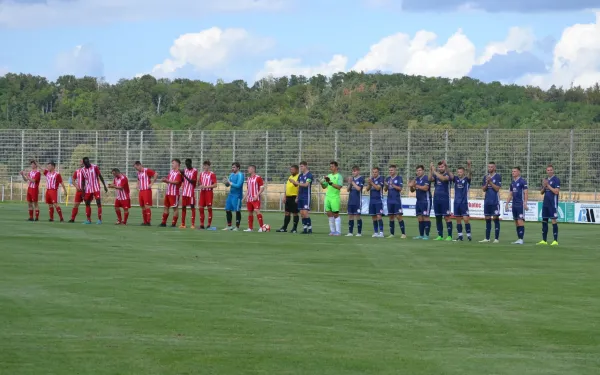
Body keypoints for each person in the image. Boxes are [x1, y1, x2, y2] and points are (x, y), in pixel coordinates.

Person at [430, 161, 453, 241]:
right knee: (438, 217)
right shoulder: (436, 175)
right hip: (436, 199)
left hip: (445, 199)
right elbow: (430, 179)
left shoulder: (447, 175)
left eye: (442, 167)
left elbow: (443, 179)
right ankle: (440, 235)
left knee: (447, 217)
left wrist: (434, 171)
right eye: (439, 167)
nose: (440, 168)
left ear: (445, 167)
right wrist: (431, 170)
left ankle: (450, 236)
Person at [81, 156, 108, 225]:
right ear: (84, 163)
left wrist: (104, 186)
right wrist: (83, 191)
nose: (87, 163)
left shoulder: (95, 167)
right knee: (87, 203)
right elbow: (83, 181)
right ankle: (88, 220)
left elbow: (100, 176)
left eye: (88, 162)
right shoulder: (82, 170)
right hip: (88, 189)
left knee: (98, 203)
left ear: (89, 161)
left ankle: (99, 220)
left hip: (96, 188)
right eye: (86, 162)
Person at [538, 164, 560, 246]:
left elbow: (556, 192)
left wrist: (548, 185)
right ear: (546, 171)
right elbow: (541, 192)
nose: (549, 171)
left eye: (551, 170)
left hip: (552, 204)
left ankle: (555, 240)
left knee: (553, 220)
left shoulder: (556, 180)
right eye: (548, 170)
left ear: (553, 170)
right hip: (545, 203)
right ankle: (544, 240)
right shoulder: (546, 180)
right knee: (544, 220)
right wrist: (544, 187)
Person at [408, 165, 431, 240]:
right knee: (419, 218)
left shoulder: (426, 178)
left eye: (420, 170)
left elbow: (425, 188)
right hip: (418, 201)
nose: (418, 172)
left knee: (426, 217)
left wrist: (415, 185)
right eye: (417, 170)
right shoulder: (416, 179)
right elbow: (412, 190)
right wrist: (411, 186)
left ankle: (427, 235)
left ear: (423, 171)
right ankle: (421, 235)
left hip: (425, 200)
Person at [505, 167, 528, 245]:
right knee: (516, 221)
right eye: (512, 171)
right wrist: (507, 204)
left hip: (520, 204)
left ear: (519, 172)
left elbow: (526, 193)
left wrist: (525, 203)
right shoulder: (512, 183)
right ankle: (519, 238)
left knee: (520, 220)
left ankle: (521, 239)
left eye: (515, 171)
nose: (513, 172)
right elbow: (510, 194)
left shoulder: (522, 181)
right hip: (514, 205)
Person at [319, 161, 343, 236]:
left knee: (336, 214)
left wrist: (330, 183)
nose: (331, 168)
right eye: (330, 166)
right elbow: (324, 186)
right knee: (329, 214)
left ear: (336, 167)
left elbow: (339, 187)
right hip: (328, 197)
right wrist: (322, 183)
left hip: (335, 198)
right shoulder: (328, 176)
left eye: (332, 166)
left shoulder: (339, 176)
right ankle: (332, 231)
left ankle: (338, 231)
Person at [480, 162, 502, 243]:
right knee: (487, 218)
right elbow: (483, 189)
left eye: (491, 167)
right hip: (487, 201)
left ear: (494, 168)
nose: (490, 168)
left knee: (495, 218)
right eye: (489, 167)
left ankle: (496, 238)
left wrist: (491, 182)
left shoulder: (498, 176)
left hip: (495, 201)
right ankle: (487, 238)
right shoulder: (485, 177)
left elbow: (497, 189)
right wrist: (487, 183)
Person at [384, 165, 406, 239]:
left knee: (398, 216)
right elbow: (385, 190)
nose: (390, 171)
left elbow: (400, 188)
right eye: (390, 170)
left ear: (395, 170)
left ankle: (403, 234)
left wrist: (392, 185)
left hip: (396, 200)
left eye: (392, 170)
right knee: (391, 217)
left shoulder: (399, 178)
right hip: (389, 200)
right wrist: (386, 185)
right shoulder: (388, 178)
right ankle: (392, 234)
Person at [452, 161, 472, 241]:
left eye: (460, 172)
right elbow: (450, 174)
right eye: (458, 172)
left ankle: (468, 235)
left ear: (463, 172)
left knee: (466, 219)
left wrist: (469, 165)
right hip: (456, 203)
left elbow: (470, 173)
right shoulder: (455, 179)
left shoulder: (467, 179)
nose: (459, 173)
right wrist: (446, 166)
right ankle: (460, 236)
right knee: (458, 220)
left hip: (463, 203)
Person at [277, 165, 300, 233]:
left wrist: (297, 197)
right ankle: (284, 227)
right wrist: (285, 196)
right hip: (288, 197)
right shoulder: (290, 177)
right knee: (287, 213)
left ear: (297, 170)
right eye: (290, 170)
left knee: (295, 213)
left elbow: (299, 187)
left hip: (294, 196)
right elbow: (287, 188)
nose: (291, 171)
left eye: (292, 170)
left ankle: (294, 228)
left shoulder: (299, 177)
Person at [160, 159, 183, 227]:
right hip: (168, 192)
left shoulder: (179, 173)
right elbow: (169, 181)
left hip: (174, 193)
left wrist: (168, 181)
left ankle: (173, 223)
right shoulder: (171, 172)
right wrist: (165, 180)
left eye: (173, 163)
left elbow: (177, 182)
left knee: (175, 208)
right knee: (166, 207)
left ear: (177, 164)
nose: (172, 165)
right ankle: (163, 223)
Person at [243, 165, 265, 232]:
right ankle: (250, 228)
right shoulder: (248, 178)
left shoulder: (258, 178)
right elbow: (248, 189)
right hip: (249, 199)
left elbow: (262, 188)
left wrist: (257, 195)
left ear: (253, 169)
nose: (248, 170)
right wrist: (244, 198)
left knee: (257, 210)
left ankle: (261, 227)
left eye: (249, 168)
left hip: (255, 198)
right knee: (250, 212)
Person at [134, 161, 157, 226]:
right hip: (141, 191)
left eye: (136, 167)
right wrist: (137, 184)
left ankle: (148, 221)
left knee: (147, 206)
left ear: (139, 165)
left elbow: (155, 174)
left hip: (147, 190)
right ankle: (144, 222)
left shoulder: (147, 170)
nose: (136, 169)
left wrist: (152, 183)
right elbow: (138, 179)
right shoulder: (138, 172)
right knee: (142, 206)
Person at [223, 162, 244, 231]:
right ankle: (229, 226)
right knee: (227, 209)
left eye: (234, 167)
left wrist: (231, 183)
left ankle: (237, 227)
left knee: (237, 210)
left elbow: (238, 185)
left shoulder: (240, 175)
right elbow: (228, 185)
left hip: (237, 195)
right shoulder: (231, 174)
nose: (232, 168)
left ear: (238, 168)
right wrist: (226, 183)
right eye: (232, 167)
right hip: (231, 194)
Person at [198, 160, 217, 229]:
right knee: (201, 208)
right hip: (202, 193)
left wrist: (205, 187)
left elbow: (215, 185)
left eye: (206, 165)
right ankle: (202, 224)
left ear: (209, 166)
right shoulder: (201, 174)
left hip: (209, 192)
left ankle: (209, 224)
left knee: (209, 208)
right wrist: (199, 185)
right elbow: (199, 183)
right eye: (204, 165)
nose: (205, 167)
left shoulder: (212, 174)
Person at [366, 167, 385, 238]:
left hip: (379, 201)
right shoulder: (372, 179)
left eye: (376, 172)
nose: (374, 173)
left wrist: (371, 183)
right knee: (373, 217)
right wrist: (369, 184)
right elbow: (367, 189)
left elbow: (378, 188)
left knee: (379, 216)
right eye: (373, 172)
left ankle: (381, 232)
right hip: (372, 200)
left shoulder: (381, 179)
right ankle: (376, 232)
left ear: (378, 172)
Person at [295, 161, 313, 234]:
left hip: (306, 196)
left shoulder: (309, 175)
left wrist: (297, 183)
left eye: (302, 166)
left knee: (305, 213)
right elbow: (298, 187)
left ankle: (310, 228)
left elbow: (306, 185)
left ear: (306, 166)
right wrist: (297, 197)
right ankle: (305, 228)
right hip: (300, 196)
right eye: (300, 166)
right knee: (302, 213)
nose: (301, 168)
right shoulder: (300, 176)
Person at [346, 165, 364, 237]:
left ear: (358, 171)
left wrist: (352, 182)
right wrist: (350, 183)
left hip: (357, 200)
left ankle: (359, 232)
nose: (353, 172)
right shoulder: (352, 179)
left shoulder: (361, 179)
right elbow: (347, 190)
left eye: (355, 171)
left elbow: (359, 188)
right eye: (353, 171)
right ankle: (350, 232)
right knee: (350, 215)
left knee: (357, 216)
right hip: (351, 200)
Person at [179, 159, 198, 229]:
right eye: (186, 164)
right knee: (183, 207)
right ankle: (183, 224)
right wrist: (181, 174)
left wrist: (184, 175)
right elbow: (182, 180)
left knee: (192, 207)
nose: (187, 165)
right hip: (184, 192)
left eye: (188, 164)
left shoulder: (195, 171)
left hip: (191, 192)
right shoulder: (184, 170)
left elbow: (192, 181)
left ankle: (192, 224)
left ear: (191, 163)